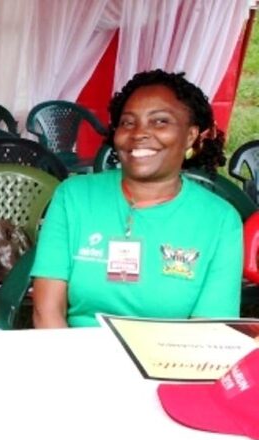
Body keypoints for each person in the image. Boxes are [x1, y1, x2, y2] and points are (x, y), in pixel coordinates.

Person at [31, 69, 243, 328]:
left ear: (190, 135)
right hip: (78, 358)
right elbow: (47, 311)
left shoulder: (220, 220)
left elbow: (208, 331)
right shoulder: (73, 196)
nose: (139, 133)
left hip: (170, 363)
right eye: (128, 122)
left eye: (160, 121)